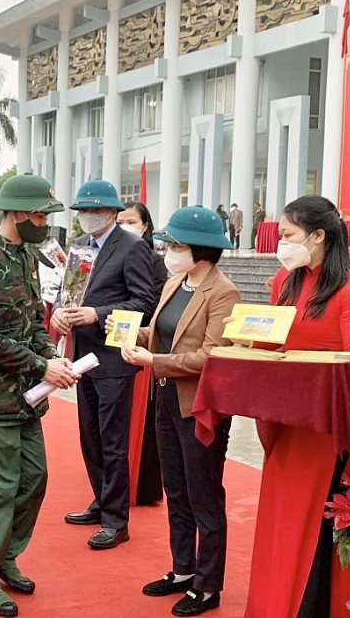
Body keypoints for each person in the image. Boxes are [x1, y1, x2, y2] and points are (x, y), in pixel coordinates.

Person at [0, 173, 79, 617]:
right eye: (40, 215)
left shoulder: (26, 259)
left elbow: (30, 323)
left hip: (27, 396)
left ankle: (5, 553)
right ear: (16, 213)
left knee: (34, 478)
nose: (45, 223)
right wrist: (40, 364)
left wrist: (53, 356)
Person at [245, 195, 350, 618]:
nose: (281, 243)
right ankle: (272, 602)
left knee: (311, 525)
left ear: (318, 236)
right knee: (279, 521)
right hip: (284, 423)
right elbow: (266, 339)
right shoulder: (286, 282)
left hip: (323, 432)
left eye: (287, 235)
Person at [114, 206, 239, 617]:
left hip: (198, 405)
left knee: (204, 494)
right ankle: (182, 569)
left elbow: (210, 356)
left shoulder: (222, 292)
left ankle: (208, 585)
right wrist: (128, 331)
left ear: (200, 251)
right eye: (168, 244)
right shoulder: (175, 282)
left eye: (176, 245)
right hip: (165, 398)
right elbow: (160, 332)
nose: (168, 251)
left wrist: (155, 362)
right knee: (177, 490)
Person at [52, 179, 156, 549]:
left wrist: (97, 313)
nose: (86, 218)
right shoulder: (79, 246)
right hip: (83, 355)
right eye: (81, 211)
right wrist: (62, 313)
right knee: (90, 436)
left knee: (113, 440)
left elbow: (144, 301)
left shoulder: (132, 247)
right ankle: (101, 499)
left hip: (114, 356)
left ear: (111, 212)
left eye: (93, 211)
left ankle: (117, 520)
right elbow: (70, 291)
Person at [117, 200, 167, 506]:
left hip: (143, 344)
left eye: (131, 221)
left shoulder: (154, 261)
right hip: (117, 341)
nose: (125, 226)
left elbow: (153, 303)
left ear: (145, 226)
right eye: (120, 220)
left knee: (143, 422)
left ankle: (142, 487)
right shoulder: (108, 254)